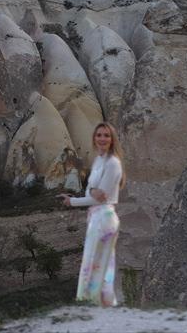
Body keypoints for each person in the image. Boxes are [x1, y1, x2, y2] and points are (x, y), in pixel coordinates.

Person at [60, 121, 125, 306]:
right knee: (94, 264)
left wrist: (72, 201)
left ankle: (97, 307)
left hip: (104, 216)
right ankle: (98, 306)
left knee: (99, 266)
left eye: (106, 135)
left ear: (112, 139)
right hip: (96, 216)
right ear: (94, 138)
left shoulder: (112, 163)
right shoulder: (98, 160)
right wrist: (93, 191)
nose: (102, 139)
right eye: (99, 135)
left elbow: (99, 198)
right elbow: (91, 191)